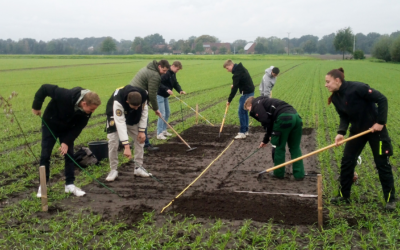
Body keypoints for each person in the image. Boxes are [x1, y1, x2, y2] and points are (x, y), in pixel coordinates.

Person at [325, 67, 396, 210]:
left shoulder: (358, 88)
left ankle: (390, 199)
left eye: (328, 82)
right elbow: (344, 116)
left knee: (382, 163)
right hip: (357, 131)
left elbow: (382, 99)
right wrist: (341, 132)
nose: (326, 85)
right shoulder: (336, 97)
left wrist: (380, 122)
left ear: (337, 80)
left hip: (376, 130)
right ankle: (343, 196)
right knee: (347, 161)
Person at [32, 84, 101, 197]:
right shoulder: (65, 95)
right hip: (51, 124)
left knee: (69, 154)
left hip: (67, 129)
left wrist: (66, 142)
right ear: (84, 103)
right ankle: (43, 186)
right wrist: (36, 106)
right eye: (92, 109)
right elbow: (44, 88)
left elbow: (77, 128)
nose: (93, 111)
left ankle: (69, 185)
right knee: (45, 154)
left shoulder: (86, 113)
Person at [244, 96, 305, 180]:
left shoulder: (256, 105)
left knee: (279, 147)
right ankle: (299, 174)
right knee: (295, 148)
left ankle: (278, 173)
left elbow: (265, 121)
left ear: (250, 104)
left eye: (248, 109)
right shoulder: (265, 101)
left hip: (284, 119)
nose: (250, 111)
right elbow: (269, 120)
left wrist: (269, 136)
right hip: (296, 118)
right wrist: (267, 139)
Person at [105, 85, 151, 181]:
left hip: (132, 117)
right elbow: (120, 123)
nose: (136, 108)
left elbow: (144, 113)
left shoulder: (144, 95)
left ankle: (138, 168)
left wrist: (142, 131)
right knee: (113, 142)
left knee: (140, 140)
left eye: (138, 106)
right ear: (127, 102)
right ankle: (113, 170)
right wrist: (126, 146)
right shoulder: (118, 101)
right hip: (114, 116)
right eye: (134, 106)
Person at [129, 60, 170, 151]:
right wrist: (156, 109)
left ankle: (130, 142)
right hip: (137, 97)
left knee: (133, 120)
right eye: (164, 70)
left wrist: (146, 100)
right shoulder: (155, 75)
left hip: (132, 94)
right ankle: (145, 144)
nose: (165, 73)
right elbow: (152, 94)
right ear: (159, 66)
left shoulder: (149, 68)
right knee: (144, 120)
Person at [223, 59, 255, 139]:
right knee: (244, 112)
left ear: (231, 65)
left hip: (246, 93)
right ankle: (246, 130)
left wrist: (229, 100)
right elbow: (243, 81)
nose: (227, 70)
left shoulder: (237, 74)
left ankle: (242, 132)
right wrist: (235, 85)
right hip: (250, 91)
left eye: (227, 68)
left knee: (241, 112)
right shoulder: (241, 68)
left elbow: (234, 90)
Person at [156, 61, 186, 140]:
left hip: (165, 96)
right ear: (173, 66)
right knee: (161, 114)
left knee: (167, 113)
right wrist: (167, 89)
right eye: (177, 69)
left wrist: (180, 90)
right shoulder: (165, 73)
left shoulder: (173, 73)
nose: (177, 71)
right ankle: (159, 133)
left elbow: (175, 83)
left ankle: (164, 130)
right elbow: (158, 83)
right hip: (160, 95)